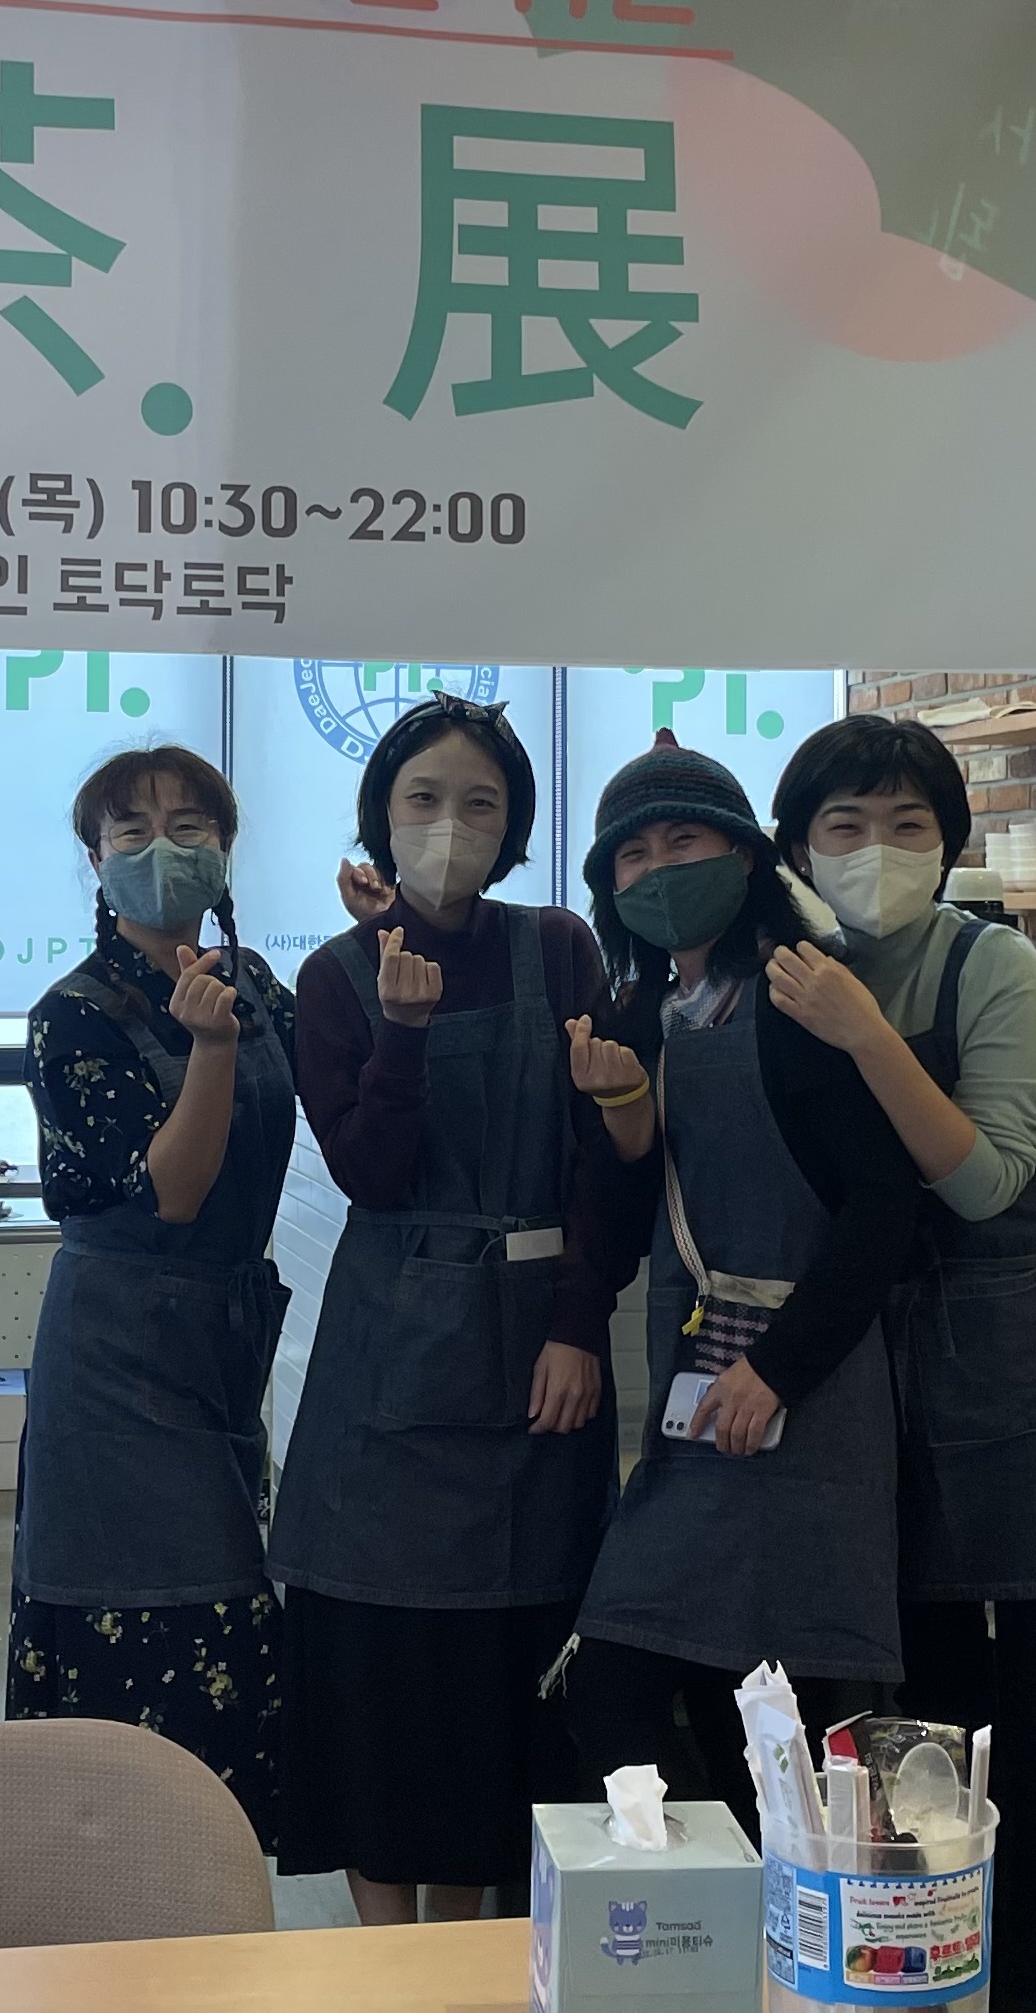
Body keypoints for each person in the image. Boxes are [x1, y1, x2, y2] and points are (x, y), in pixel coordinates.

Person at [765, 714, 1036, 2013]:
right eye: (844, 825)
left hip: (1034, 1357)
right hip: (889, 1376)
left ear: (949, 844)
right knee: (926, 1719)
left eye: (909, 825)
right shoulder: (793, 967)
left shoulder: (988, 963)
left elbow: (990, 1179)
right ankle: (947, 1984)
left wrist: (863, 1034)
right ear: (795, 846)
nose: (876, 850)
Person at [274, 696, 626, 1922]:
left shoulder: (561, 949)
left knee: (503, 1669)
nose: (449, 825)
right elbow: (370, 1175)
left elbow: (604, 1152)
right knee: (378, 1662)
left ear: (515, 825)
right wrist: (406, 1031)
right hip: (390, 1357)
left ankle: (468, 1957)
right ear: (380, 813)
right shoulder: (332, 978)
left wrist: (580, 1322)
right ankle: (387, 1967)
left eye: (481, 803)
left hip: (539, 1353)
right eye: (422, 799)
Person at [559, 734, 929, 1829]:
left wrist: (778, 1369)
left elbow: (885, 1207)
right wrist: (620, 1111)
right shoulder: (639, 1014)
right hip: (694, 1402)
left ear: (746, 856)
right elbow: (633, 1205)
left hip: (813, 1392)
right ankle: (688, 1914)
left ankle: (798, 1927)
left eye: (686, 842)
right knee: (617, 1680)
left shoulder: (806, 997)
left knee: (796, 1728)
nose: (659, 870)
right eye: (634, 855)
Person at [7, 745, 296, 1845]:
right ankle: (112, 1877)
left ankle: (211, 1878)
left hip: (221, 1338)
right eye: (132, 831)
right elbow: (172, 1193)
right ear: (97, 860)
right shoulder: (73, 1015)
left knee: (232, 1615)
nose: (161, 849)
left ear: (224, 850)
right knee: (139, 1614)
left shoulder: (255, 981)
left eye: (189, 827)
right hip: (117, 1352)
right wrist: (211, 1048)